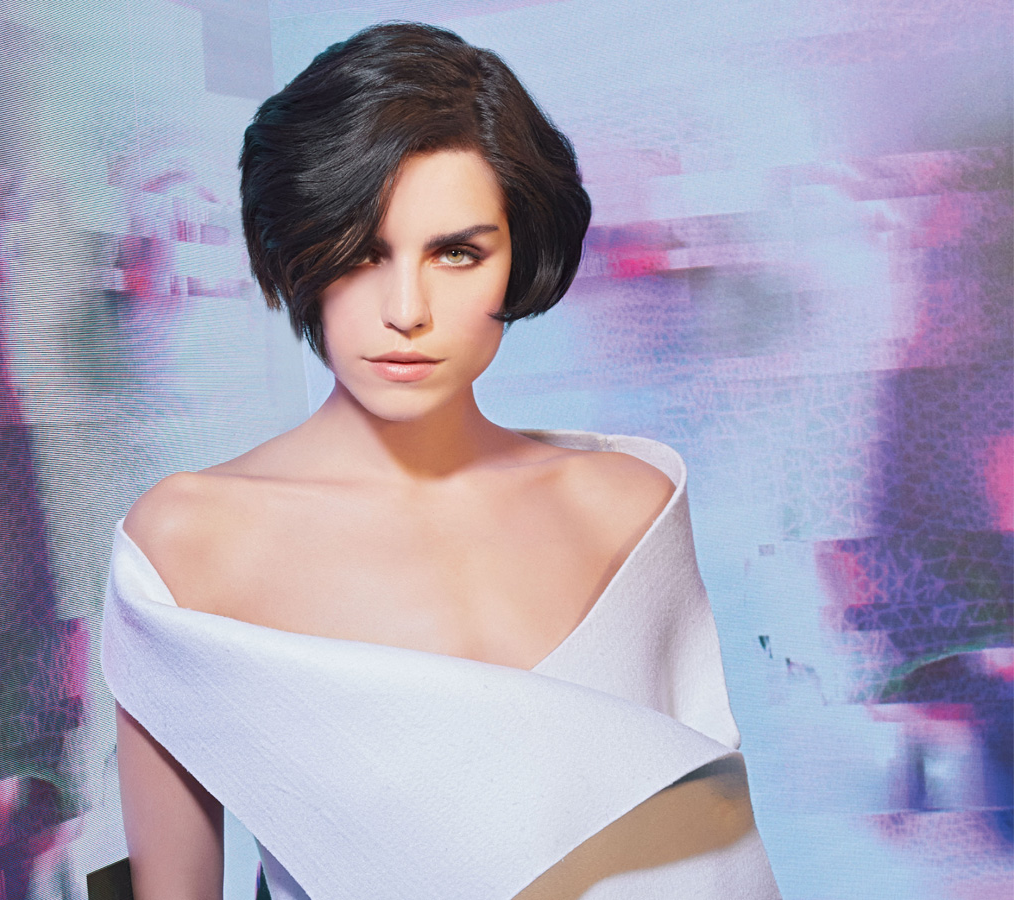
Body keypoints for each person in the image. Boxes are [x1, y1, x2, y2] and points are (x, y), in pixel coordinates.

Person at [103, 22, 781, 900]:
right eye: (361, 251)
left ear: (519, 256)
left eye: (457, 252)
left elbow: (707, 853)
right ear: (297, 250)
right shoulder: (191, 543)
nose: (406, 309)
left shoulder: (627, 508)